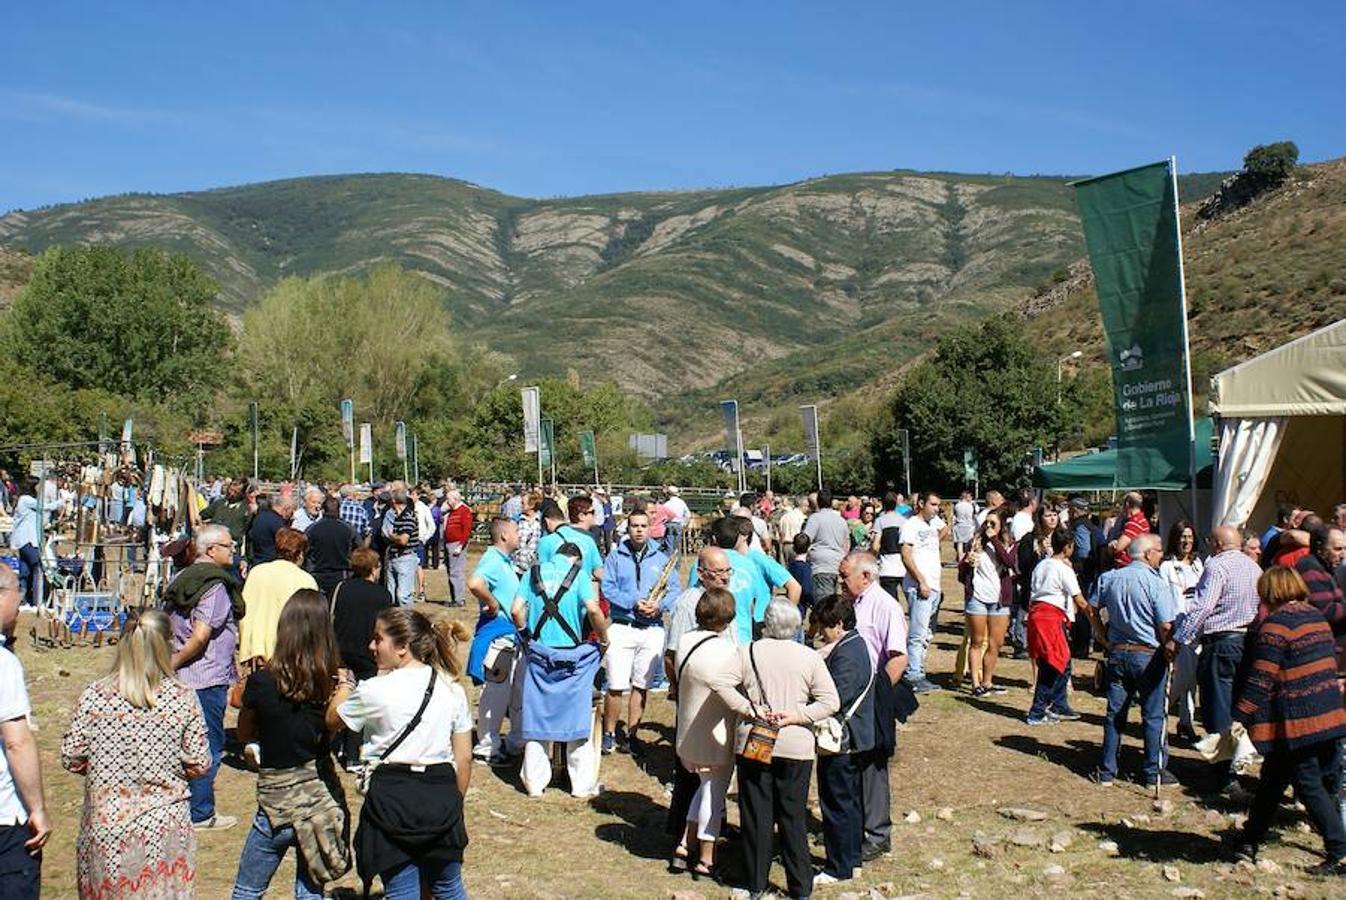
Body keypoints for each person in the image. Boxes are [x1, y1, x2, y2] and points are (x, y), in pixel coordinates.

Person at [61, 610, 210, 899]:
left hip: (107, 829)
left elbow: (72, 755)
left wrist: (106, 767)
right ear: (167, 645)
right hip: (165, 829)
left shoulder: (95, 695)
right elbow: (200, 763)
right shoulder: (182, 697)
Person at [331, 608, 472, 899]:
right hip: (441, 794)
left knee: (401, 890)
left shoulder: (373, 690)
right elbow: (464, 758)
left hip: (392, 799)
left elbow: (333, 720)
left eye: (377, 639)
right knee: (448, 887)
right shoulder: (452, 689)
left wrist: (345, 685)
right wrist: (455, 804)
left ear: (402, 647)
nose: (371, 646)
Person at [713, 599, 839, 900]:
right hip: (795, 744)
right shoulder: (809, 657)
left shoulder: (749, 651)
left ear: (766, 623)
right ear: (795, 625)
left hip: (757, 738)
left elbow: (719, 683)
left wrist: (748, 708)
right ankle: (800, 886)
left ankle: (756, 883)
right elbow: (830, 701)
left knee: (756, 813)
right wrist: (797, 716)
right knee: (793, 816)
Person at [231, 591, 351, 899]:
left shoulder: (262, 682)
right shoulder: (332, 685)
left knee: (248, 890)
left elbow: (244, 733)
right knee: (310, 890)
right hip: (318, 800)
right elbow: (333, 725)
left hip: (275, 801)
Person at [1232, 567, 1346, 872]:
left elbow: (1261, 678)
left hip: (1299, 719)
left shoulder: (1276, 626)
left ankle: (1339, 849)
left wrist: (1240, 715)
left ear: (1270, 592)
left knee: (1309, 784)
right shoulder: (1316, 617)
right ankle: (1249, 839)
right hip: (1327, 711)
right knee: (1272, 781)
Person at [1167, 524, 1265, 787]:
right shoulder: (1253, 567)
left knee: (1216, 709)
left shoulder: (1217, 566)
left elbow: (1203, 607)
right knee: (1238, 709)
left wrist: (1179, 638)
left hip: (1221, 642)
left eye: (1211, 540)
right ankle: (1238, 765)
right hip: (1246, 641)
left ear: (1219, 544)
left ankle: (1224, 774)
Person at [512, 541, 610, 798]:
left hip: (539, 653)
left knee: (538, 715)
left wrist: (524, 633)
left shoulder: (533, 572)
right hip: (571, 655)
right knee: (577, 717)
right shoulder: (579, 576)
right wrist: (603, 639)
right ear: (576, 559)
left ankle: (534, 782)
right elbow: (593, 610)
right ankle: (581, 784)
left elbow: (515, 610)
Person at [164, 523, 245, 831]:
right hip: (205, 676)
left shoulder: (181, 578)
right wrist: (173, 662)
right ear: (211, 550)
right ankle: (200, 813)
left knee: (180, 744)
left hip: (181, 677)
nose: (234, 550)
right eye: (229, 545)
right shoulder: (214, 585)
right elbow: (200, 635)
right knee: (207, 745)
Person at [837, 551, 908, 863]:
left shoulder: (885, 606)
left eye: (844, 576)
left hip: (871, 698)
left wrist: (878, 693)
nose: (840, 582)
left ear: (865, 576)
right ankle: (855, 827)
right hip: (847, 699)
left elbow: (898, 656)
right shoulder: (849, 604)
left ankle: (877, 834)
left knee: (872, 766)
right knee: (849, 763)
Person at [1092, 533, 1177, 786]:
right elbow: (1164, 624)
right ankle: (1153, 773)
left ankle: (1107, 771)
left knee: (1114, 714)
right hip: (1147, 654)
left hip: (1119, 651)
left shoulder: (1110, 578)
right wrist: (1169, 645)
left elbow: (1091, 607)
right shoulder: (1156, 583)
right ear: (1148, 554)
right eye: (1159, 550)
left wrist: (1102, 636)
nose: (1162, 555)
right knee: (1153, 716)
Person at [670, 587, 740, 879]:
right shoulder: (729, 651)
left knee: (702, 788)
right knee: (713, 794)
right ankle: (706, 856)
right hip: (717, 734)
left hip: (687, 733)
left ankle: (684, 845)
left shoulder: (686, 641)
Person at [601, 509, 682, 755]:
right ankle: (609, 733)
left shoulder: (662, 557)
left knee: (641, 684)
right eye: (634, 525)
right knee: (615, 685)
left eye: (643, 526)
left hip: (652, 628)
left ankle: (632, 735)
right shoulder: (615, 557)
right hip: (622, 626)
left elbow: (675, 590)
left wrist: (660, 605)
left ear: (650, 528)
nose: (638, 530)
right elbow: (608, 588)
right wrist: (633, 601)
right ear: (628, 528)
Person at [812, 595, 877, 887]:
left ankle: (838, 866)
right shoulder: (854, 645)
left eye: (824, 627)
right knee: (849, 804)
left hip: (843, 741)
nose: (820, 633)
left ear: (839, 624)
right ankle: (851, 861)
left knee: (836, 804)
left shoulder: (848, 654)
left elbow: (835, 698)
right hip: (854, 738)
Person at [1, 564, 50, 896]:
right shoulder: (4, 665)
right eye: (17, 592)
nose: (20, 604)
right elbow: (17, 741)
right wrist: (37, 808)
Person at [1026, 529, 1098, 725]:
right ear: (1067, 547)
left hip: (1037, 616)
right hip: (1050, 618)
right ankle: (1037, 711)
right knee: (1052, 663)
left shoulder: (1041, 565)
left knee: (1062, 661)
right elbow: (1080, 600)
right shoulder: (1063, 569)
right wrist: (1095, 621)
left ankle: (1059, 704)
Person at [465, 517, 522, 762]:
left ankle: (513, 741)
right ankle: (487, 746)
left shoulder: (504, 562)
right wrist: (491, 602)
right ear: (504, 536)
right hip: (499, 636)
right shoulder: (492, 560)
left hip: (511, 635)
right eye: (516, 531)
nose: (520, 535)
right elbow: (475, 582)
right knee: (496, 694)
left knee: (514, 693)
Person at [330, 548, 393, 767]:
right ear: (374, 569)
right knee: (362, 702)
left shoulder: (340, 588)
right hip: (367, 653)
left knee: (340, 696)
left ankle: (337, 743)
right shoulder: (382, 595)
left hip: (340, 650)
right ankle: (352, 754)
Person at [239, 528, 318, 664]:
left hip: (256, 650)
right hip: (288, 652)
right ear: (299, 554)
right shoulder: (305, 579)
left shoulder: (257, 572)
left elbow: (245, 610)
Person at [1158, 520, 1205, 744]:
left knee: (1193, 680)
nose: (1186, 541)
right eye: (1182, 537)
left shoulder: (1199, 564)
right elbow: (1164, 598)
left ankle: (1186, 722)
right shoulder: (1167, 566)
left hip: (1198, 628)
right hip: (1177, 628)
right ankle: (1161, 716)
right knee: (1179, 678)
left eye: (1189, 536)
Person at [962, 508, 1015, 696]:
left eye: (994, 523)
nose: (989, 526)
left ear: (1001, 526)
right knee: (976, 641)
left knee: (996, 643)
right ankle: (975, 683)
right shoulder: (975, 542)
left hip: (999, 599)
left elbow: (1009, 562)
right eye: (987, 523)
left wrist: (994, 540)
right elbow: (962, 575)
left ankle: (988, 681)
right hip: (977, 597)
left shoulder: (1008, 543)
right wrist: (966, 562)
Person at [900, 491, 947, 693]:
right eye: (933, 504)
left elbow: (944, 529)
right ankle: (913, 675)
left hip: (934, 586)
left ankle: (918, 668)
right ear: (921, 504)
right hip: (920, 586)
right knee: (918, 632)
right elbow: (906, 555)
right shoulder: (911, 525)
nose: (937, 509)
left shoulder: (932, 524)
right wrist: (921, 581)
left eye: (938, 505)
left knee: (927, 632)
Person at [305, 495, 358, 598]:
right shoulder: (348, 529)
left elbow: (305, 550)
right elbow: (359, 549)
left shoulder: (312, 529)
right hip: (341, 574)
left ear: (323, 510)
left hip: (318, 573)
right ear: (339, 510)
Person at [803, 490, 850, 600]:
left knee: (824, 605)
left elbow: (805, 539)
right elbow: (846, 544)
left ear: (818, 502)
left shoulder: (815, 518)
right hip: (838, 564)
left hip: (821, 566)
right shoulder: (841, 521)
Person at [381, 487, 423, 608]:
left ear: (394, 501)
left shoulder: (408, 516)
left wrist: (391, 535)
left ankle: (408, 621)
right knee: (391, 594)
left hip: (405, 558)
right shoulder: (397, 516)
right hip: (393, 557)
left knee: (403, 595)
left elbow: (403, 540)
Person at [201, 479, 252, 571]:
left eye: (235, 492)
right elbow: (201, 515)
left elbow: (249, 537)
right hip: (212, 551)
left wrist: (245, 559)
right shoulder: (219, 504)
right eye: (230, 490)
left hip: (232, 553)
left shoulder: (247, 509)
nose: (231, 493)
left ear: (242, 493)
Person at [6, 479, 43, 608]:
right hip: (27, 540)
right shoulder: (27, 500)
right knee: (37, 567)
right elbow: (44, 506)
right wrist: (62, 501)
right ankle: (35, 599)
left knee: (25, 570)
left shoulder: (23, 500)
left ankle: (23, 600)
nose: (40, 488)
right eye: (39, 485)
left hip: (23, 540)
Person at [872, 492, 907, 600]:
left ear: (883, 504)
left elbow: (875, 546)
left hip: (887, 566)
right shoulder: (904, 521)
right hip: (903, 565)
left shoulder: (880, 521)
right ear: (896, 503)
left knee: (890, 601)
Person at [442, 489, 473, 606]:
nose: (447, 502)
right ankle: (454, 598)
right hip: (448, 543)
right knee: (451, 572)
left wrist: (460, 546)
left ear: (455, 499)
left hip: (456, 544)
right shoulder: (451, 511)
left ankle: (459, 600)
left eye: (448, 499)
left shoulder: (464, 511)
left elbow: (467, 530)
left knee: (456, 572)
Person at [1106, 491, 1149, 568]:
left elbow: (1118, 547)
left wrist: (1111, 545)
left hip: (1127, 566)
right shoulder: (1141, 520)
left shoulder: (1134, 523)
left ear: (1127, 504)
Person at [249, 494, 293, 566]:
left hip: (256, 561)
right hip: (271, 564)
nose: (291, 515)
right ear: (286, 508)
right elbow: (287, 545)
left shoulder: (260, 516)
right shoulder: (278, 523)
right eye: (291, 512)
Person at [513, 490, 543, 575]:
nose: (520, 505)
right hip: (517, 567)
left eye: (523, 503)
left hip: (535, 568)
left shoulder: (541, 521)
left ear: (532, 505)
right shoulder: (516, 520)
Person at [663, 485, 691, 557]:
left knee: (669, 546)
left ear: (669, 494)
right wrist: (684, 524)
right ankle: (677, 565)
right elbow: (688, 514)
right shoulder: (681, 502)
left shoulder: (666, 504)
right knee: (677, 546)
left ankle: (668, 563)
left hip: (669, 524)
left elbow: (663, 516)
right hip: (678, 525)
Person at [952, 490, 976, 561]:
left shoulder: (957, 505)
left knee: (960, 544)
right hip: (969, 526)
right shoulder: (971, 505)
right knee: (970, 544)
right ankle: (969, 559)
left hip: (959, 526)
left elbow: (955, 516)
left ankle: (960, 559)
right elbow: (974, 515)